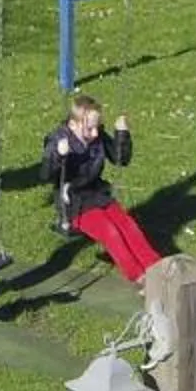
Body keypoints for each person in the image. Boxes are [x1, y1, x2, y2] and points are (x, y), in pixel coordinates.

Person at [44, 93, 164, 283]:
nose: (95, 133)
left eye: (97, 127)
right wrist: (59, 155)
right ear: (73, 125)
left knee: (127, 224)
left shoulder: (96, 135)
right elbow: (46, 175)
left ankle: (156, 266)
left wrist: (122, 134)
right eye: (89, 128)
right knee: (111, 232)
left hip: (97, 194)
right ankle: (138, 276)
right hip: (75, 203)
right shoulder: (58, 140)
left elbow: (120, 159)